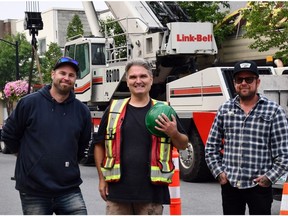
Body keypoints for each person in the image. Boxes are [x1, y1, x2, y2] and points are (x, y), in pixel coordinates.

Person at [93, 58, 188, 215]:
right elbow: (99, 144)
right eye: (133, 77)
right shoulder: (113, 109)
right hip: (118, 194)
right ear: (127, 80)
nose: (138, 81)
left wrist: (174, 133)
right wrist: (102, 179)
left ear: (151, 79)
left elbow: (183, 144)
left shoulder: (163, 110)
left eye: (143, 76)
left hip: (151, 194)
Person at [1, 56, 91, 215]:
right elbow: (9, 135)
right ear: (52, 74)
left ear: (75, 79)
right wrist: (25, 156)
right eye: (62, 73)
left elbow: (82, 145)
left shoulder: (82, 111)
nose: (66, 78)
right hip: (33, 190)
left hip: (69, 189)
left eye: (71, 75)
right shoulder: (29, 103)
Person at [205, 60, 288, 215]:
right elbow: (211, 146)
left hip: (259, 188)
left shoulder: (274, 111)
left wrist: (268, 178)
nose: (244, 83)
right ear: (234, 83)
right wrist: (219, 173)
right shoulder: (225, 109)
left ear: (257, 82)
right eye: (239, 80)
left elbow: (284, 153)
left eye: (249, 79)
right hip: (231, 185)